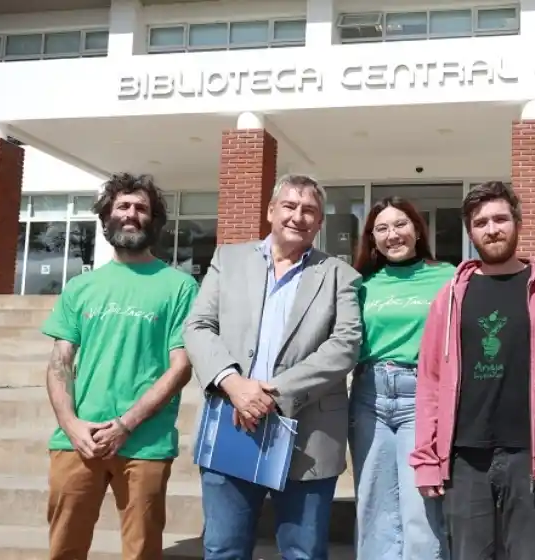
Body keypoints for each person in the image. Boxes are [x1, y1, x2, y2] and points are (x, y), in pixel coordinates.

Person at [183, 173, 362, 560]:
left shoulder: (340, 275)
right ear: (270, 211)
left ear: (320, 222)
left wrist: (272, 394)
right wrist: (233, 384)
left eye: (309, 210)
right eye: (290, 206)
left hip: (308, 434)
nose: (298, 216)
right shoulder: (227, 260)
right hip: (233, 423)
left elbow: (345, 345)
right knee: (224, 550)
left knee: (303, 553)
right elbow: (198, 326)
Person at [410, 181, 535, 560]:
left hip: (531, 455)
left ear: (517, 223)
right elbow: (430, 382)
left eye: (500, 219)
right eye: (480, 222)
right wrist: (427, 460)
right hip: (463, 457)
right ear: (470, 232)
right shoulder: (451, 295)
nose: (491, 229)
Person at [41, 173, 200, 560]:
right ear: (107, 216)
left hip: (144, 442)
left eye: (141, 208)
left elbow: (181, 367)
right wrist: (71, 425)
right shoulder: (81, 287)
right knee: (65, 548)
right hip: (78, 441)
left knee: (142, 551)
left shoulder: (179, 287)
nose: (132, 214)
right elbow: (60, 361)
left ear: (154, 220)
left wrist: (126, 424)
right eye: (123, 206)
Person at [349, 197, 453, 560]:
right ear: (372, 238)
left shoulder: (448, 276)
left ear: (417, 230)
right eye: (382, 228)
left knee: (421, 507)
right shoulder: (361, 283)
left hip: (421, 397)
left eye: (400, 225)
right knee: (373, 506)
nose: (393, 235)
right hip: (368, 397)